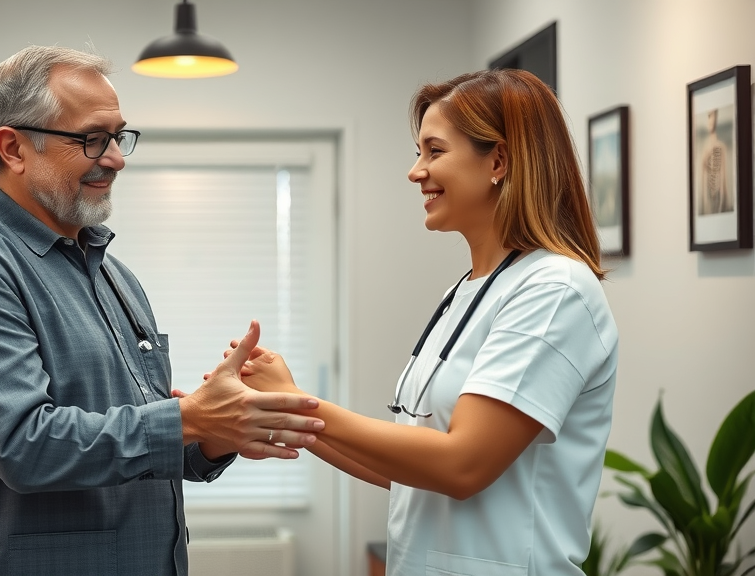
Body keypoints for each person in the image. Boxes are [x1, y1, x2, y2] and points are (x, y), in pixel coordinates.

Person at [0, 45, 324, 576]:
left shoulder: (113, 274)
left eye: (119, 136)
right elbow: (26, 446)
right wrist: (188, 418)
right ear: (13, 148)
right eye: (92, 139)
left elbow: (145, 439)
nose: (117, 158)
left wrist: (218, 430)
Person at [229, 69, 619, 576]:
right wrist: (288, 408)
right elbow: (413, 470)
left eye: (434, 151)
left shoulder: (555, 290)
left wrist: (302, 404)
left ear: (498, 160)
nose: (416, 171)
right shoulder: (465, 292)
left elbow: (462, 464)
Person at [698, 108, 732, 215]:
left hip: (720, 198)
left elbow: (724, 180)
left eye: (712, 116)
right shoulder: (705, 151)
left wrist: (724, 202)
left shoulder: (720, 148)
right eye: (708, 116)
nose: (710, 121)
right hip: (708, 200)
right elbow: (703, 182)